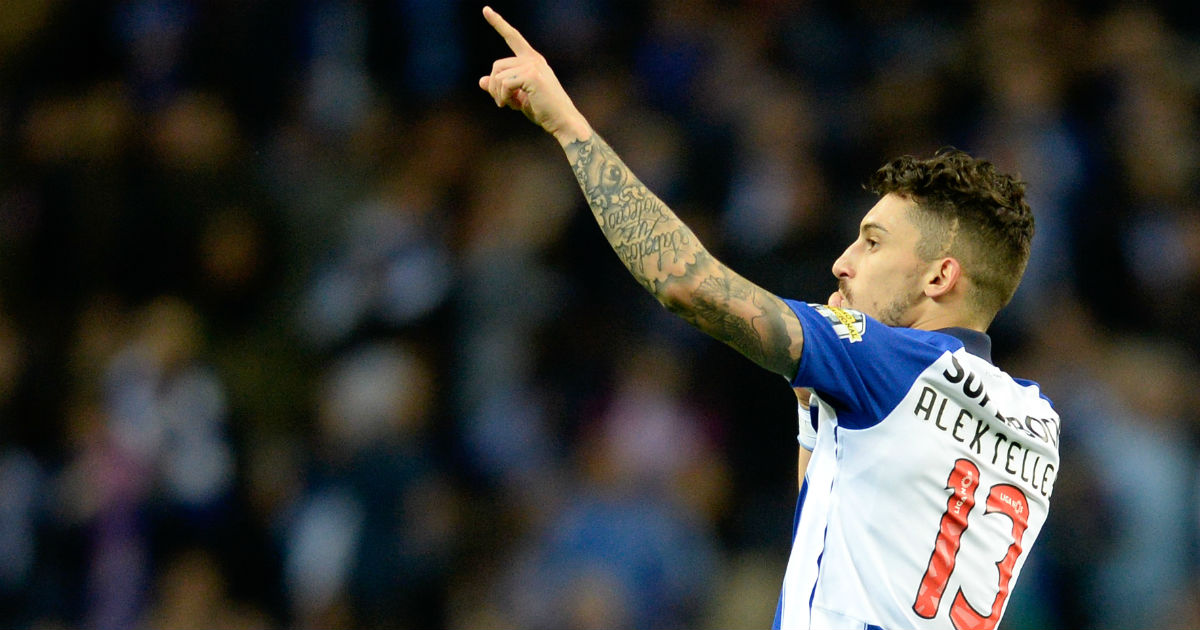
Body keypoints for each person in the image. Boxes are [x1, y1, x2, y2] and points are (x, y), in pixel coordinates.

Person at [477, 6, 1060, 630]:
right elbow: (829, 523)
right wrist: (813, 404)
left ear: (939, 277)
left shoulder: (885, 359)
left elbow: (685, 284)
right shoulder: (1039, 423)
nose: (842, 263)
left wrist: (567, 125)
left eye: (872, 242)